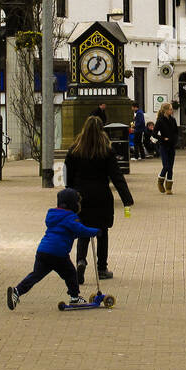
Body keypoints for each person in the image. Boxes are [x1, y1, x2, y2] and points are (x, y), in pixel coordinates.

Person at [65, 115, 133, 281]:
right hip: (101, 195)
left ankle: (81, 261)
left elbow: (67, 174)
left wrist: (70, 193)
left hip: (81, 196)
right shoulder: (106, 150)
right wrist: (126, 198)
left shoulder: (75, 149)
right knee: (102, 232)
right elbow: (117, 176)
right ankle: (102, 268)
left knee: (83, 232)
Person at [7, 188, 97, 309]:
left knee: (35, 275)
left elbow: (66, 231)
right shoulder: (70, 217)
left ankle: (17, 291)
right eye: (77, 202)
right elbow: (80, 230)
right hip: (58, 254)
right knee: (71, 273)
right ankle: (75, 298)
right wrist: (95, 231)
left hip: (43, 251)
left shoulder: (54, 215)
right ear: (72, 204)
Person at [155, 102, 179, 194]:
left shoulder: (173, 120)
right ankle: (160, 181)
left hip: (171, 146)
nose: (171, 110)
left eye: (172, 109)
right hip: (163, 145)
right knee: (166, 166)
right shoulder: (160, 120)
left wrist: (175, 140)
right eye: (170, 109)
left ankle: (169, 188)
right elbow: (154, 134)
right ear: (165, 110)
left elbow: (176, 132)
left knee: (171, 167)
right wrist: (163, 138)